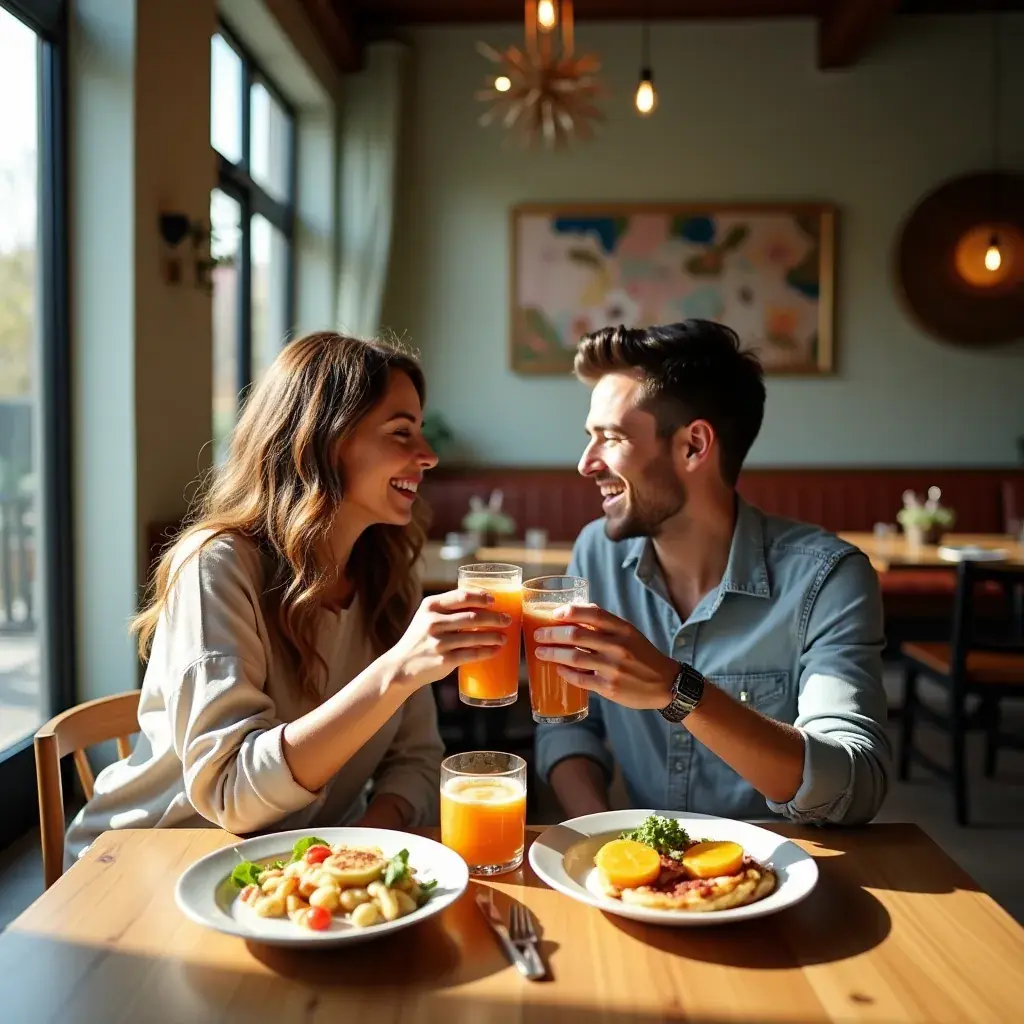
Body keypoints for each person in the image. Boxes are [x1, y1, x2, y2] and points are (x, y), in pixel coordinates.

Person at [65, 333, 510, 861]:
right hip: (152, 865)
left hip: (292, 865)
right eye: (401, 432)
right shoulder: (217, 567)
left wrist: (359, 852)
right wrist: (398, 671)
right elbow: (231, 792)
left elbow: (415, 758)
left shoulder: (387, 576)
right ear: (326, 440)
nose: (429, 455)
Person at [534, 321, 890, 826]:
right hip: (640, 883)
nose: (586, 463)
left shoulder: (828, 579)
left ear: (694, 446)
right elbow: (568, 723)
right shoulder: (596, 553)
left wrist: (677, 690)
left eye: (610, 438)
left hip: (784, 874)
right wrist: (602, 837)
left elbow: (853, 787)